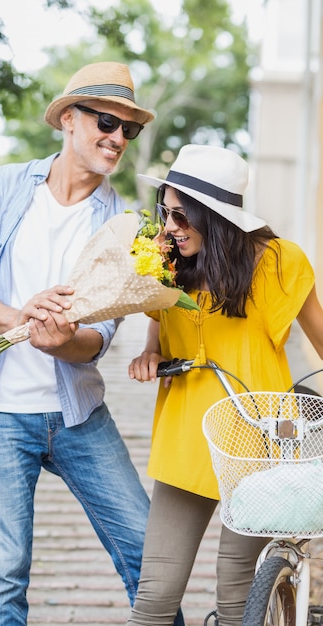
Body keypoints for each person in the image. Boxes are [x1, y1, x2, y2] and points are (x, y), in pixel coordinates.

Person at [0, 61, 184, 626]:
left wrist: (61, 343)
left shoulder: (125, 226)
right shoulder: (2, 186)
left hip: (77, 413)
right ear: (69, 120)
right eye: (107, 121)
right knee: (3, 576)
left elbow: (97, 340)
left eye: (129, 129)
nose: (118, 138)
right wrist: (16, 317)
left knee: (151, 559)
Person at [126, 144, 323, 626]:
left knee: (238, 591)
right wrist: (151, 350)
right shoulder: (166, 263)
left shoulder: (279, 261)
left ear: (213, 217)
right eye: (164, 211)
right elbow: (159, 320)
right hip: (184, 437)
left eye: (180, 215)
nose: (168, 226)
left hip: (258, 442)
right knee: (155, 594)